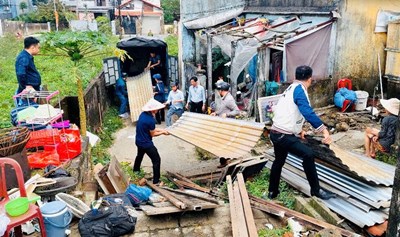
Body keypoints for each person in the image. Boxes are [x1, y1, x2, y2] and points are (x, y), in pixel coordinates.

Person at [268, 65, 336, 200]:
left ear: (295, 76)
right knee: (308, 154)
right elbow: (306, 111)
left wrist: (299, 130)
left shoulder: (290, 88)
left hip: (275, 132)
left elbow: (289, 112)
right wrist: (324, 130)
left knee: (279, 161)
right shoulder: (300, 91)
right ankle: (316, 191)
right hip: (283, 135)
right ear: (310, 79)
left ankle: (272, 191)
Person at [133, 98, 169, 185]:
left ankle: (135, 171)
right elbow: (153, 134)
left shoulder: (143, 115)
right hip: (146, 144)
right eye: (156, 109)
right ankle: (156, 181)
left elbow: (151, 129)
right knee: (156, 159)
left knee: (139, 156)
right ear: (152, 109)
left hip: (138, 141)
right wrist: (163, 132)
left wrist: (162, 129)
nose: (157, 110)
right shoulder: (150, 120)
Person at [15, 36, 41, 104]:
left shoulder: (27, 56)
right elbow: (20, 73)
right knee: (29, 110)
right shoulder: (24, 58)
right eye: (38, 48)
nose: (39, 50)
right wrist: (26, 86)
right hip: (28, 90)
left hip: (32, 89)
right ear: (32, 47)